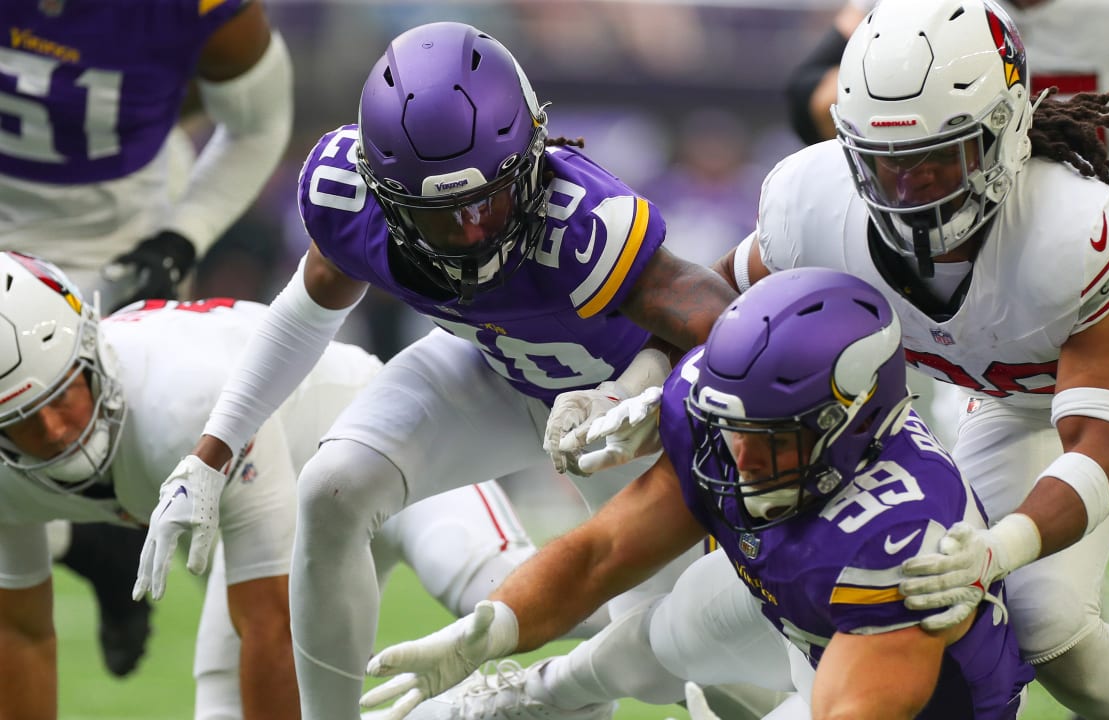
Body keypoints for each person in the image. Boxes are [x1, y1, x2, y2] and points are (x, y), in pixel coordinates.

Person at [696, 0, 1109, 717]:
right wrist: (636, 384)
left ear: (1006, 132)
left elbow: (1104, 447)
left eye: (938, 161)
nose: (910, 194)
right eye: (886, 165)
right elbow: (713, 313)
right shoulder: (812, 200)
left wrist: (1001, 547)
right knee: (1045, 629)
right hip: (1006, 395)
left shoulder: (1076, 228)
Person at [143, 20, 738, 720]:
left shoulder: (585, 226)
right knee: (332, 488)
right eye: (441, 216)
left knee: (675, 667)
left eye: (490, 197)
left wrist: (638, 383)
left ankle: (553, 694)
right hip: (488, 368)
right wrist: (211, 454)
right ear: (384, 192)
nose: (475, 230)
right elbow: (307, 309)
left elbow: (734, 331)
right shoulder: (350, 200)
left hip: (613, 425)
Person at [358, 267, 1035, 720]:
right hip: (801, 615)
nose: (743, 457)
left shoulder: (904, 539)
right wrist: (493, 627)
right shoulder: (725, 425)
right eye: (737, 429)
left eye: (773, 438)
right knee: (668, 626)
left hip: (912, 701)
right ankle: (530, 699)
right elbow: (603, 553)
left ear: (852, 426)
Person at [0, 250, 556, 720]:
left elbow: (271, 621)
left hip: (378, 439)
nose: (53, 430)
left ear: (91, 349)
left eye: (62, 395)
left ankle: (611, 646)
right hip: (280, 509)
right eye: (21, 419)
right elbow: (19, 631)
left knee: (497, 588)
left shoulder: (181, 401)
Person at [0, 0, 293, 678]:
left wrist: (181, 236)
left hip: (117, 255)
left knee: (167, 469)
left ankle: (105, 544)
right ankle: (92, 546)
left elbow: (259, 124)